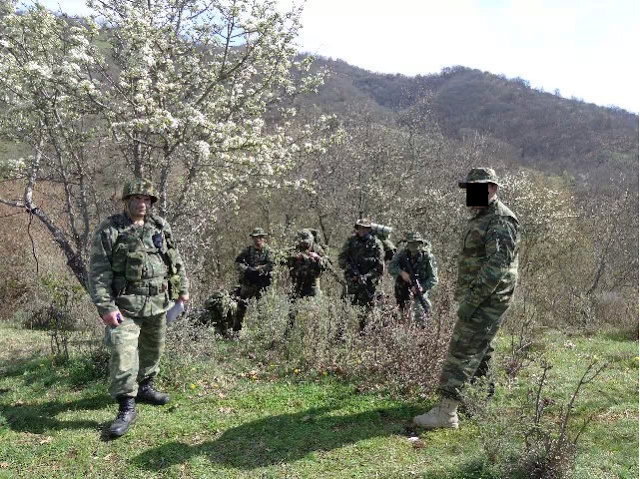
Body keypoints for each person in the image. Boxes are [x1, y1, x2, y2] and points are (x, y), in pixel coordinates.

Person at [413, 167, 520, 429]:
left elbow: (497, 267)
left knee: (461, 349)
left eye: (478, 188)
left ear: (492, 188)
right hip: (480, 296)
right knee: (480, 348)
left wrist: (472, 301)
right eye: (469, 189)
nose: (471, 194)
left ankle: (446, 414)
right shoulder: (481, 217)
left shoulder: (500, 220)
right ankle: (482, 400)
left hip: (487, 299)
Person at [88, 178, 189, 438]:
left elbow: (175, 261)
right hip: (125, 306)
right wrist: (106, 307)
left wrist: (183, 293)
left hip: (158, 303)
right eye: (137, 199)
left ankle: (145, 387)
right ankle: (126, 406)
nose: (142, 204)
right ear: (126, 201)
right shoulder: (110, 229)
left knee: (153, 350)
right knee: (123, 355)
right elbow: (98, 274)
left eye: (147, 200)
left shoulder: (159, 226)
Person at [338, 218, 385, 329]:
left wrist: (367, 276)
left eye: (365, 228)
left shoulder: (376, 244)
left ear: (369, 230)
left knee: (367, 310)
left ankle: (364, 332)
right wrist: (351, 271)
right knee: (346, 308)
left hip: (368, 283)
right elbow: (341, 260)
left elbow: (380, 267)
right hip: (352, 281)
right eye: (360, 228)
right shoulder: (350, 241)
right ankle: (341, 333)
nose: (362, 231)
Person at [389, 231, 438, 325]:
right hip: (402, 291)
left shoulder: (427, 257)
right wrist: (402, 273)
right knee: (403, 318)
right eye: (411, 243)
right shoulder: (401, 255)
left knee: (421, 315)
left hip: (419, 292)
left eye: (415, 243)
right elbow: (391, 267)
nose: (413, 246)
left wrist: (422, 287)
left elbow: (433, 279)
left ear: (420, 243)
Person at [234, 227, 274, 331]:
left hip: (262, 284)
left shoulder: (269, 251)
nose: (257, 240)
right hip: (248, 283)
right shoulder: (247, 251)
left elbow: (272, 264)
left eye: (259, 237)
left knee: (262, 309)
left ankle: (262, 333)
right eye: (255, 238)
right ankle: (236, 332)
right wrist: (247, 270)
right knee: (241, 307)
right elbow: (238, 263)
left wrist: (261, 269)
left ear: (263, 238)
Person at [287, 229, 327, 299]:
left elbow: (326, 264)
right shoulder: (295, 249)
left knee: (312, 305)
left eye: (306, 244)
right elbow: (281, 258)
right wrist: (294, 257)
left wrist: (318, 258)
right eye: (302, 244)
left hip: (312, 284)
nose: (304, 246)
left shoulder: (317, 249)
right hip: (297, 283)